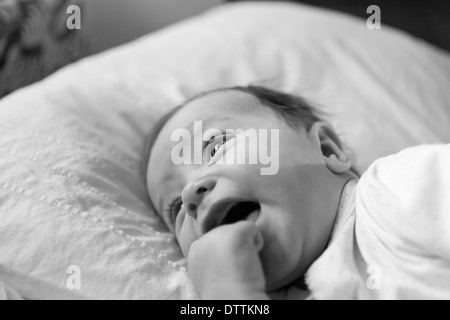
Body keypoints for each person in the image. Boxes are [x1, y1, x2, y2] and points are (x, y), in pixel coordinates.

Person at [142, 85, 450, 300]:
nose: (189, 194)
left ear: (327, 149)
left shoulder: (389, 191)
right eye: (175, 210)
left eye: (216, 146)